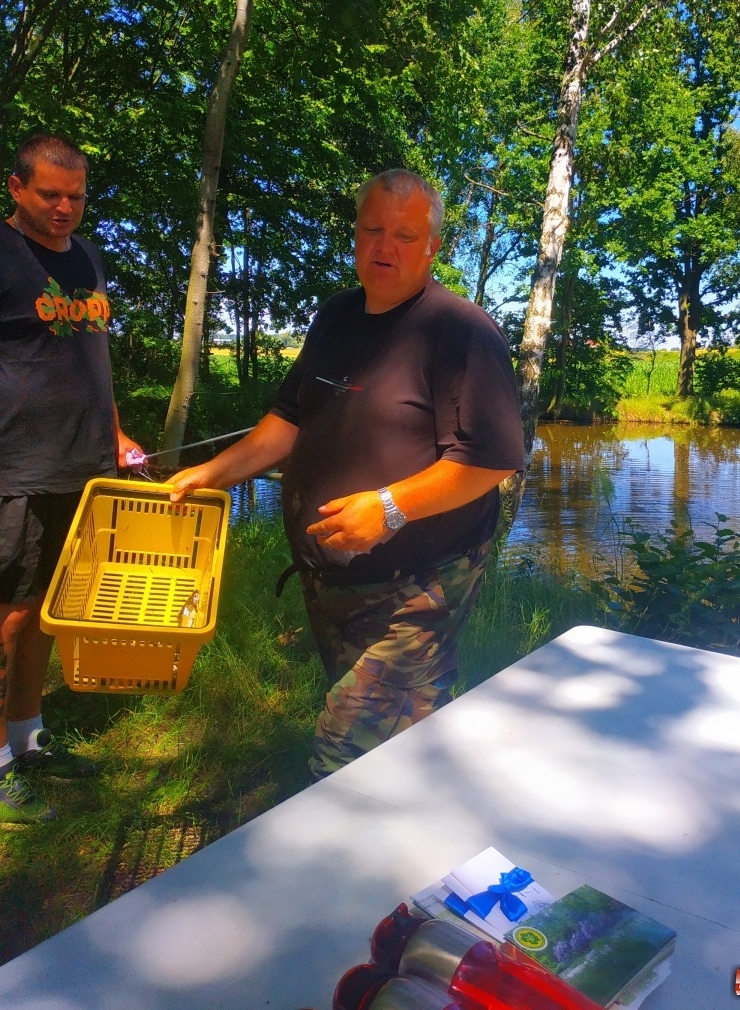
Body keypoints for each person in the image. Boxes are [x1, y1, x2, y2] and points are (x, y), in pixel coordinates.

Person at [171, 169, 525, 780]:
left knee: (347, 756)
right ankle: (419, 852)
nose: (385, 247)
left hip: (416, 585)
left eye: (405, 236)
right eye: (373, 230)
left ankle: (350, 862)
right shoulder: (338, 315)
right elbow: (288, 420)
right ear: (356, 234)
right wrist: (211, 473)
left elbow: (489, 461)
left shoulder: (459, 330)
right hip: (334, 580)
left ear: (433, 247)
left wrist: (387, 508)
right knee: (398, 744)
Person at [0, 133, 142, 823]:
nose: (64, 208)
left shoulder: (87, 258)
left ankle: (27, 740)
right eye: (50, 194)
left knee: (47, 617)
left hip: (83, 465)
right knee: (8, 616)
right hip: (16, 468)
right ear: (16, 188)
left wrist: (114, 432)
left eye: (76, 196)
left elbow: (92, 357)